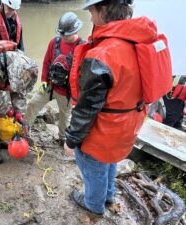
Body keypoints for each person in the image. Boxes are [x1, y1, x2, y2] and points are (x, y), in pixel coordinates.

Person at [64, 0, 164, 217]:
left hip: (104, 131)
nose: (90, 18)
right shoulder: (139, 42)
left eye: (92, 12)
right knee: (110, 160)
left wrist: (71, 139)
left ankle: (94, 204)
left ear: (104, 10)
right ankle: (108, 195)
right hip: (128, 126)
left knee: (92, 164)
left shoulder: (102, 54)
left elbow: (86, 108)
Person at [24, 12, 83, 146]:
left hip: (67, 93)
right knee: (33, 103)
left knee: (64, 117)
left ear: (75, 30)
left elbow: (83, 74)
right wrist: (44, 80)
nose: (62, 37)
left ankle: (62, 139)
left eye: (65, 35)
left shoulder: (82, 47)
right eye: (61, 34)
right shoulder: (54, 42)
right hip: (49, 86)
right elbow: (46, 62)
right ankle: (25, 130)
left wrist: (77, 96)